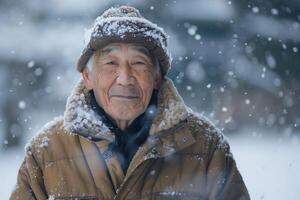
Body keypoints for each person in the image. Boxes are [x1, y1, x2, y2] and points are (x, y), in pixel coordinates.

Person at [10, 5, 250, 200]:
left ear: (157, 77)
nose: (125, 78)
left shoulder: (205, 147)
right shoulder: (46, 151)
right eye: (110, 63)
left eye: (138, 63)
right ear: (87, 77)